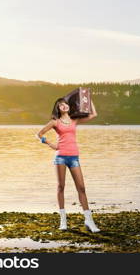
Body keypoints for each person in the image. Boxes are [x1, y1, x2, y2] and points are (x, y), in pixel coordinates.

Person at [35, 97, 100, 233]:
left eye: (65, 104)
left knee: (81, 188)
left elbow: (94, 115)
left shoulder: (74, 120)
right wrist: (50, 144)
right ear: (58, 109)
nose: (64, 106)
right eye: (60, 105)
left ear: (69, 106)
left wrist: (89, 98)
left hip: (74, 157)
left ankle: (89, 221)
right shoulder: (55, 122)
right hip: (60, 158)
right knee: (61, 187)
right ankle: (63, 221)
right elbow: (39, 134)